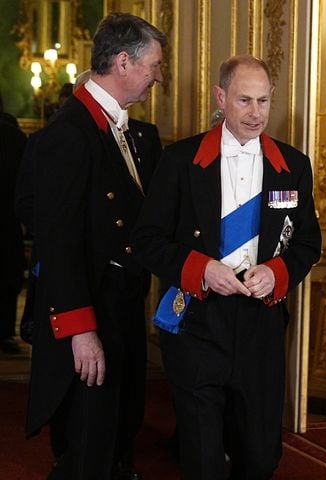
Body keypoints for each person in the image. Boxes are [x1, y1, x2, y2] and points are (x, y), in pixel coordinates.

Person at [131, 54, 321, 479]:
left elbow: (308, 243)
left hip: (260, 323)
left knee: (259, 456)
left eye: (263, 101)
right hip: (198, 322)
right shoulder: (180, 160)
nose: (256, 113)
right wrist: (202, 269)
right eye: (244, 100)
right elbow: (147, 240)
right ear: (220, 97)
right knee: (202, 457)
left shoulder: (293, 165)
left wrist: (276, 272)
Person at [22, 13, 166, 479]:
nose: (158, 77)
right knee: (88, 444)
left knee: (118, 432)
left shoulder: (124, 128)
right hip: (89, 312)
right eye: (154, 66)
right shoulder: (70, 133)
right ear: (123, 62)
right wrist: (81, 331)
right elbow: (58, 244)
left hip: (122, 307)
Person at [0, 120, 27, 355]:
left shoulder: (13, 138)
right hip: (8, 222)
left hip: (8, 222)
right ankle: (5, 333)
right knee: (7, 279)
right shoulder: (15, 137)